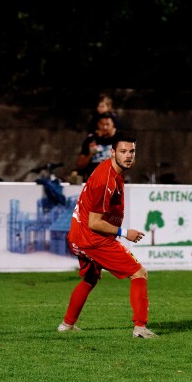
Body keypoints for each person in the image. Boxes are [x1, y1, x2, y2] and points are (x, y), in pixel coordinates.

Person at [58, 130, 157, 339]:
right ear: (112, 152)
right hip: (92, 238)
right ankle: (140, 328)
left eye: (132, 151)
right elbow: (95, 222)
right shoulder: (106, 181)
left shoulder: (108, 172)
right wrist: (124, 233)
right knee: (139, 273)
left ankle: (66, 325)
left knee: (91, 277)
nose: (128, 155)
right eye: (123, 151)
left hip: (78, 235)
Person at [75, 111, 119, 181]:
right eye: (102, 124)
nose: (105, 127)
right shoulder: (91, 140)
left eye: (107, 124)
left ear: (113, 125)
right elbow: (79, 165)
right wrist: (90, 154)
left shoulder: (119, 140)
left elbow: (130, 162)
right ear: (98, 124)